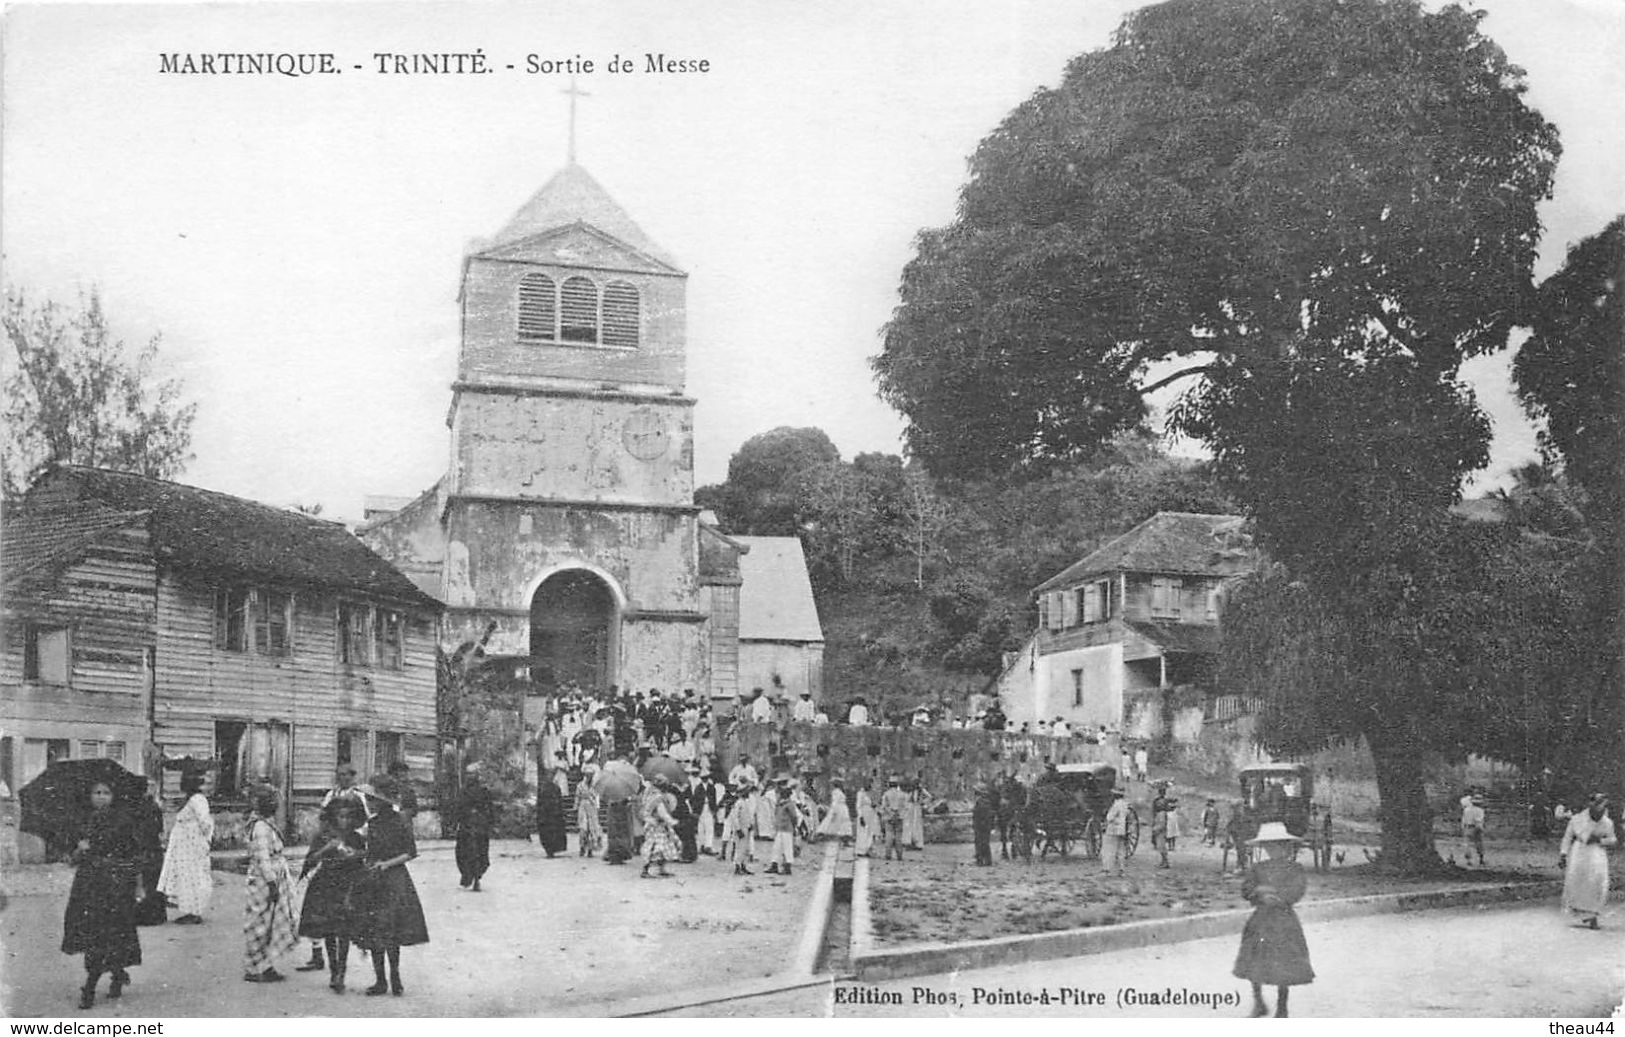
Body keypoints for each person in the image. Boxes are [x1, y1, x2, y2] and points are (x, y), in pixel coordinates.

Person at [62, 779, 145, 1009]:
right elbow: (71, 860)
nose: (101, 796)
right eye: (96, 792)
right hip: (88, 886)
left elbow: (135, 855)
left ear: (113, 796)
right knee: (94, 934)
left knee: (110, 933)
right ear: (89, 795)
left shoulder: (123, 821)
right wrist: (80, 848)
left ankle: (89, 988)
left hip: (116, 885)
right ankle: (117, 975)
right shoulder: (82, 822)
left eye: (106, 792)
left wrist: (138, 886)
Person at [354, 775, 429, 996]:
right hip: (374, 879)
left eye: (371, 798)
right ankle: (380, 981)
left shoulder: (399, 821)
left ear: (381, 801)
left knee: (391, 931)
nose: (368, 802)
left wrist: (386, 864)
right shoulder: (373, 823)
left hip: (394, 880)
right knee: (375, 930)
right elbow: (370, 850)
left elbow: (410, 852)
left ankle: (395, 978)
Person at [1233, 822, 1315, 1018]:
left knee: (1283, 963)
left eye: (1278, 845)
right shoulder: (1258, 868)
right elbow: (1246, 889)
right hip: (1261, 919)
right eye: (1269, 846)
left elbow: (1297, 890)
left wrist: (1276, 896)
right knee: (1254, 959)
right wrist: (1258, 894)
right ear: (1264, 848)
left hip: (1284, 920)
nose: (1274, 849)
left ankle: (1282, 1006)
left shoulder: (1295, 868)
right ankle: (1258, 1001)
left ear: (1287, 846)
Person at [296, 797, 367, 993]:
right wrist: (327, 849)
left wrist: (355, 854)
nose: (344, 821)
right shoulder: (324, 836)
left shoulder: (356, 837)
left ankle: (341, 973)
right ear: (333, 817)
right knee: (329, 929)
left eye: (348, 817)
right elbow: (310, 859)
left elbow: (365, 857)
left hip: (348, 885)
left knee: (343, 931)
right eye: (340, 816)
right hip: (326, 884)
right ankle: (333, 968)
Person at [241, 784, 300, 984]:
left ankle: (265, 965)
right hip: (264, 880)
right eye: (272, 802)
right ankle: (254, 967)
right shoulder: (259, 827)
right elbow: (262, 858)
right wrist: (272, 883)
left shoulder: (266, 824)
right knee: (259, 923)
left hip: (272, 877)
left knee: (271, 923)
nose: (275, 806)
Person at [157, 768, 214, 925]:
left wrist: (203, 842)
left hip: (192, 846)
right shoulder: (191, 799)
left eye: (185, 783)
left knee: (192, 877)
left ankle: (194, 912)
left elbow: (206, 822)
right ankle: (188, 910)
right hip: (185, 846)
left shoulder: (198, 799)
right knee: (185, 877)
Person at [1559, 793, 1617, 930]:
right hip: (1579, 853)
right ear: (1591, 806)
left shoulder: (1607, 823)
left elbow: (1613, 839)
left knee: (1598, 882)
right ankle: (1584, 914)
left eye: (1603, 808)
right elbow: (1567, 838)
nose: (1600, 811)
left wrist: (1600, 840)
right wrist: (1563, 854)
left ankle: (1593, 915)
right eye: (1598, 807)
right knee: (1578, 882)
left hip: (1597, 853)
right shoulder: (1577, 819)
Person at [133, 779, 168, 926]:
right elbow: (159, 828)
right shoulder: (154, 806)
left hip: (143, 847)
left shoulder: (136, 807)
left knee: (145, 880)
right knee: (155, 881)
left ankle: (146, 916)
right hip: (154, 847)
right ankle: (157, 915)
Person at [455, 768, 496, 890]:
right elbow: (457, 809)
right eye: (468, 774)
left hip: (472, 827)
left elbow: (490, 809)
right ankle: (473, 876)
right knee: (474, 852)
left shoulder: (470, 792)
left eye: (472, 774)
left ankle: (471, 876)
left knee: (470, 853)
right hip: (474, 827)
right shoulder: (468, 792)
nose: (470, 776)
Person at [640, 776, 679, 879]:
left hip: (654, 824)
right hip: (655, 825)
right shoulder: (658, 797)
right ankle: (645, 870)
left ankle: (661, 869)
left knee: (663, 847)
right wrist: (672, 822)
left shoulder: (651, 794)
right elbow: (662, 813)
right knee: (656, 848)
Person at [535, 765, 568, 858]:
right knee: (546, 833)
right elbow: (540, 802)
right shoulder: (543, 788)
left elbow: (559, 802)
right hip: (546, 815)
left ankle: (551, 850)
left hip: (554, 815)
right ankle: (549, 850)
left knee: (553, 833)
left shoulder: (556, 788)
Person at [576, 766, 603, 858]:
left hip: (592, 807)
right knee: (583, 828)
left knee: (592, 828)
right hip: (583, 807)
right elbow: (577, 796)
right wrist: (576, 806)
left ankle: (591, 849)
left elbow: (597, 797)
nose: (589, 777)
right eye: (587, 775)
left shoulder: (595, 786)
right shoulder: (580, 785)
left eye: (591, 775)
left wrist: (597, 805)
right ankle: (582, 847)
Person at [879, 775, 908, 862]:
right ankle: (899, 855)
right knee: (899, 836)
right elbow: (906, 807)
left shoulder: (886, 794)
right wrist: (898, 813)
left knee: (889, 835)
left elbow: (884, 806)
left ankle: (888, 854)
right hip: (899, 817)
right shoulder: (903, 794)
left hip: (889, 816)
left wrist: (891, 813)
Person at [1103, 788, 1131, 875]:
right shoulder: (1125, 805)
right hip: (1122, 830)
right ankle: (1121, 869)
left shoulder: (1116, 805)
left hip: (1113, 829)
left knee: (1110, 849)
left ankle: (1108, 870)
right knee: (1121, 850)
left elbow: (1109, 817)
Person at [816, 778, 853, 843]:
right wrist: (834, 810)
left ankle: (845, 837)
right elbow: (835, 802)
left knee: (844, 822)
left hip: (843, 808)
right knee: (832, 820)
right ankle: (822, 833)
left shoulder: (841, 791)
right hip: (838, 807)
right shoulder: (835, 792)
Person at [971, 783, 995, 866]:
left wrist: (978, 824)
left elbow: (980, 815)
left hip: (981, 826)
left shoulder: (981, 802)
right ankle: (986, 860)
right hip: (983, 825)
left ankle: (981, 860)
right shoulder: (985, 802)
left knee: (981, 843)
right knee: (984, 843)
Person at [1461, 793, 1486, 867]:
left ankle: (1468, 860)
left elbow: (1463, 820)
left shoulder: (1466, 810)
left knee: (1467, 844)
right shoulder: (1480, 810)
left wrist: (1463, 828)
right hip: (1476, 827)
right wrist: (1481, 829)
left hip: (1467, 827)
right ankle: (1481, 859)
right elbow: (1478, 821)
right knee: (1479, 843)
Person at [854, 780, 878, 857]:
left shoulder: (871, 793)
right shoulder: (860, 793)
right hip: (863, 813)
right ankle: (861, 850)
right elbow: (858, 805)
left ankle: (869, 849)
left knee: (870, 832)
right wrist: (860, 816)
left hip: (871, 814)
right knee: (863, 831)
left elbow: (874, 803)